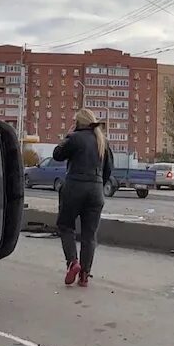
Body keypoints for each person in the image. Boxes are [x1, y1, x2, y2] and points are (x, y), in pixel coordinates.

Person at [52, 109, 113, 287]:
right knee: (89, 234)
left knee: (66, 226)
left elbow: (57, 154)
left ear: (79, 123)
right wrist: (98, 186)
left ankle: (73, 262)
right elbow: (109, 170)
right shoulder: (103, 141)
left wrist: (68, 135)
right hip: (95, 191)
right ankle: (85, 274)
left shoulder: (75, 138)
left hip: (74, 188)